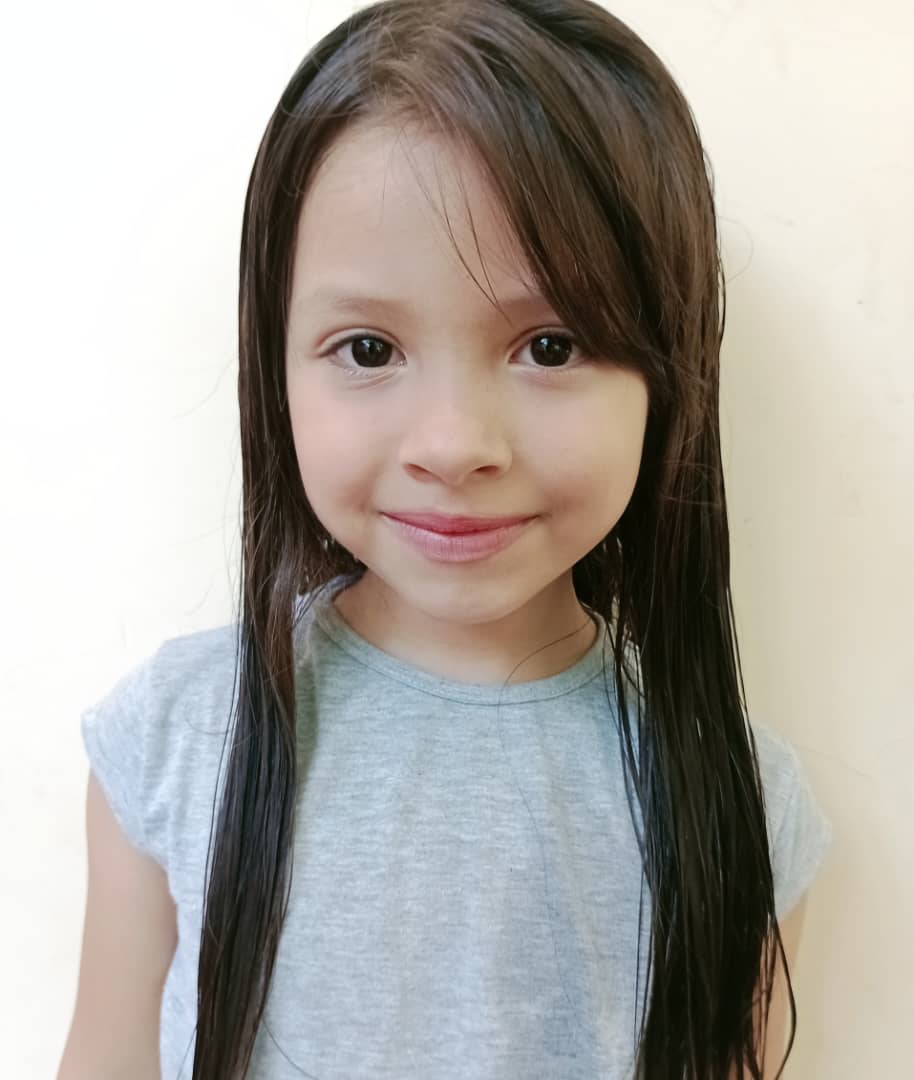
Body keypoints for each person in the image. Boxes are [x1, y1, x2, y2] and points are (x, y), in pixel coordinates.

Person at [59, 2, 833, 1078]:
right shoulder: (178, 739)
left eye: (550, 345)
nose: (454, 445)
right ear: (272, 365)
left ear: (667, 375)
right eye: (368, 348)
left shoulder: (737, 809)